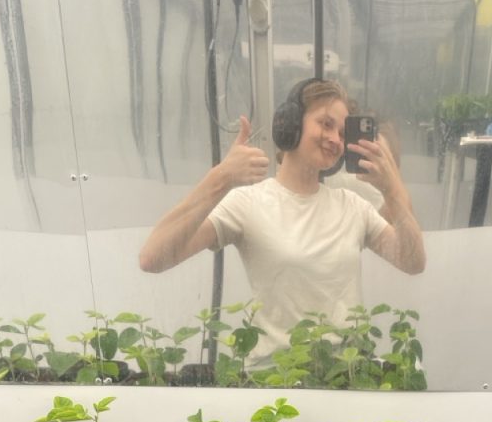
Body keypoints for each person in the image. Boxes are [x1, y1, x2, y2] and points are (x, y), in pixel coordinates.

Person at [139, 78, 425, 365]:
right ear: (290, 124)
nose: (335, 140)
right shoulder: (248, 203)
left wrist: (393, 188)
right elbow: (153, 258)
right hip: (276, 382)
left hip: (346, 378)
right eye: (325, 124)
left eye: (341, 132)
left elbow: (412, 262)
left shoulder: (352, 206)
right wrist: (221, 178)